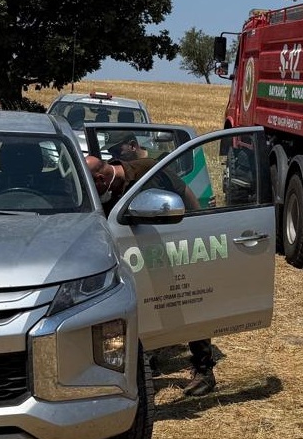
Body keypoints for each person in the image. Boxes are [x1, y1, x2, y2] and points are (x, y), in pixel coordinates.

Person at [84, 154, 217, 396]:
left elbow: (184, 191)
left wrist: (199, 227)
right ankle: (148, 360)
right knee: (146, 307)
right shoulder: (108, 190)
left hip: (173, 248)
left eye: (92, 186)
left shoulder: (147, 170)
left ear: (101, 179)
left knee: (188, 305)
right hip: (139, 256)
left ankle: (204, 370)